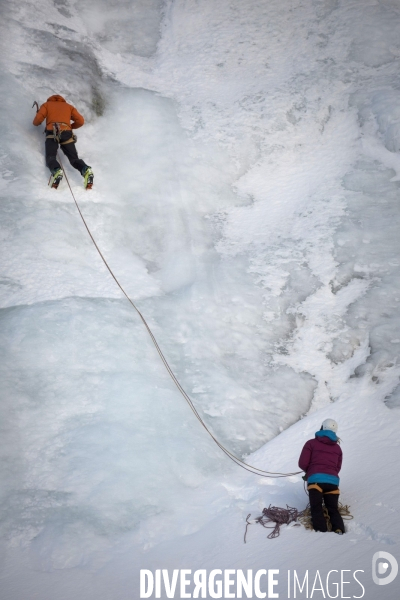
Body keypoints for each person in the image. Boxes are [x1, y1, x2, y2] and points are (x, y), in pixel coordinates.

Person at [33, 94, 93, 189]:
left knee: (51, 157)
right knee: (74, 159)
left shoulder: (46, 105)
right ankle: (85, 170)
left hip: (52, 133)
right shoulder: (68, 107)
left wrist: (38, 117)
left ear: (50, 99)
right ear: (61, 100)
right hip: (67, 133)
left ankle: (57, 170)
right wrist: (69, 127)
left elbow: (36, 121)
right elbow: (80, 121)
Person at [298, 418, 345, 534]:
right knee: (333, 508)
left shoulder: (311, 443)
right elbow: (337, 468)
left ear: (322, 427)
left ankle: (322, 532)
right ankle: (338, 529)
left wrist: (310, 472)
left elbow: (302, 463)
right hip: (333, 482)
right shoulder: (338, 448)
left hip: (315, 481)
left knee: (316, 507)